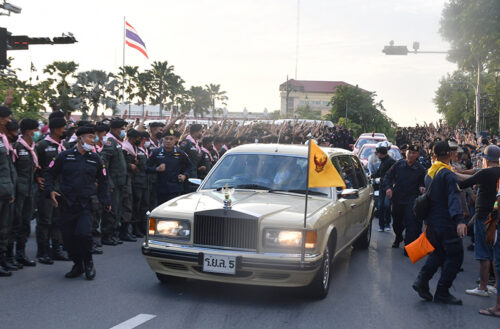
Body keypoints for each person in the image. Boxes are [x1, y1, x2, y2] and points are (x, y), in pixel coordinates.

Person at [44, 125, 111, 280]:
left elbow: (104, 181)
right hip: (67, 203)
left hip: (86, 204)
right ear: (80, 139)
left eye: (93, 138)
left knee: (83, 234)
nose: (93, 141)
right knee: (68, 237)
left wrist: (105, 200)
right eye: (89, 137)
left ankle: (88, 263)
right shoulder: (65, 156)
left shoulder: (95, 158)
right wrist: (50, 190)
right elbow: (50, 173)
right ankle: (77, 264)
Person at [412, 142, 467, 305]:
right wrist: (459, 220)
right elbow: (453, 197)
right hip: (446, 221)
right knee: (456, 256)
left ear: (434, 155)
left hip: (432, 221)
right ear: (449, 154)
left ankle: (421, 280)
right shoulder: (448, 174)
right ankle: (443, 291)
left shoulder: (431, 171)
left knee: (438, 253)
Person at [458, 145, 500, 297]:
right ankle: (495, 286)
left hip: (484, 218)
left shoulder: (486, 172)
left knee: (483, 254)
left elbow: (463, 184)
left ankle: (482, 287)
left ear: (486, 159)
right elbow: (470, 176)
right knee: (496, 254)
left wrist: (449, 174)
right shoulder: (495, 172)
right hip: (497, 217)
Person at [35, 113, 68, 264]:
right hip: (47, 189)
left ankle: (56, 249)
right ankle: (42, 251)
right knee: (45, 221)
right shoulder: (42, 145)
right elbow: (34, 165)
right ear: (55, 129)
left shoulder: (63, 146)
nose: (64, 130)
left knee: (58, 220)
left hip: (61, 188)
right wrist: (36, 177)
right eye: (63, 128)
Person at [383, 144, 426, 251]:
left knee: (411, 222)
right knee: (397, 222)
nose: (411, 155)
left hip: (412, 199)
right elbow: (387, 177)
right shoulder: (398, 165)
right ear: (406, 152)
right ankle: (398, 237)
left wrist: (422, 187)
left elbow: (422, 182)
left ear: (417, 155)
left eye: (414, 153)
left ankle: (409, 247)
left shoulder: (420, 169)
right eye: (409, 152)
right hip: (397, 198)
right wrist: (388, 188)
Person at [11, 119, 40, 268]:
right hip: (18, 191)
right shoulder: (16, 146)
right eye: (36, 129)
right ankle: (9, 256)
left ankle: (21, 253)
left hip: (30, 190)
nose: (38, 132)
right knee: (14, 223)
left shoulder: (32, 147)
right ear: (29, 131)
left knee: (25, 222)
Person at [100, 118, 128, 245]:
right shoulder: (110, 141)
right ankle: (107, 235)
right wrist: (109, 181)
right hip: (113, 182)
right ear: (116, 129)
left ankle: (112, 233)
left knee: (117, 209)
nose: (123, 132)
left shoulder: (116, 141)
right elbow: (104, 161)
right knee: (111, 209)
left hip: (120, 181)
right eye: (122, 129)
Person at [147, 129, 193, 204]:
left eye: (171, 139)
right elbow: (146, 168)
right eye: (166, 138)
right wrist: (156, 169)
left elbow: (190, 167)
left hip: (175, 188)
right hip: (160, 188)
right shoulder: (156, 152)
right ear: (162, 140)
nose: (168, 141)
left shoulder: (180, 153)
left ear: (175, 140)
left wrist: (184, 176)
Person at [0, 106, 17, 277]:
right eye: (6, 118)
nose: (8, 121)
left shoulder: (3, 139)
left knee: (4, 228)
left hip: (6, 190)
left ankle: (3, 259)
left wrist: (10, 189)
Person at [372, 142, 396, 232]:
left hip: (388, 187)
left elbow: (393, 175)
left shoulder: (391, 162)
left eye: (378, 153)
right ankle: (381, 225)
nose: (377, 155)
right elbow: (379, 172)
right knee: (380, 206)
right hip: (382, 186)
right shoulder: (382, 162)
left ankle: (387, 224)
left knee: (386, 205)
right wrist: (371, 176)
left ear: (381, 153)